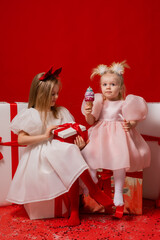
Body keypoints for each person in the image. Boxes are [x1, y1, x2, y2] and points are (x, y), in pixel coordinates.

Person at [6, 66, 113, 227]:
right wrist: (46, 135)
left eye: (57, 93)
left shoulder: (61, 112)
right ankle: (94, 190)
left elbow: (71, 132)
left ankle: (75, 209)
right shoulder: (31, 114)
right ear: (40, 94)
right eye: (52, 94)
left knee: (71, 151)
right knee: (68, 152)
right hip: (41, 152)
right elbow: (21, 140)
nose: (56, 97)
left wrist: (80, 143)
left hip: (65, 152)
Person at [81, 61, 151, 216]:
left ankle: (118, 191)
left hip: (118, 135)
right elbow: (91, 122)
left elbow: (132, 118)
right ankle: (90, 181)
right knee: (88, 154)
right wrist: (88, 112)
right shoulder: (98, 101)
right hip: (100, 134)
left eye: (113, 84)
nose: (108, 87)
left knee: (119, 160)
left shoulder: (125, 102)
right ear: (100, 86)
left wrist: (131, 125)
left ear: (121, 87)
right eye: (104, 84)